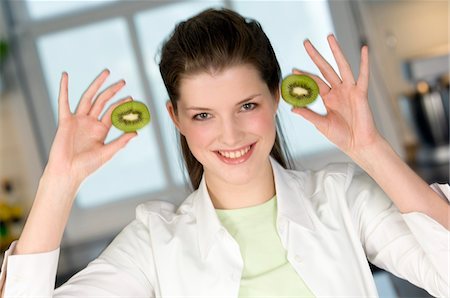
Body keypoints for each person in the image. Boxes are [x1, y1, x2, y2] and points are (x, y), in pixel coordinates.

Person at [0, 7, 449, 298]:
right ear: (176, 118)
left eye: (247, 106)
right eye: (203, 116)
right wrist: (59, 180)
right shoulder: (155, 242)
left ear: (275, 97)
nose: (229, 135)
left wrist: (369, 148)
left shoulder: (341, 199)